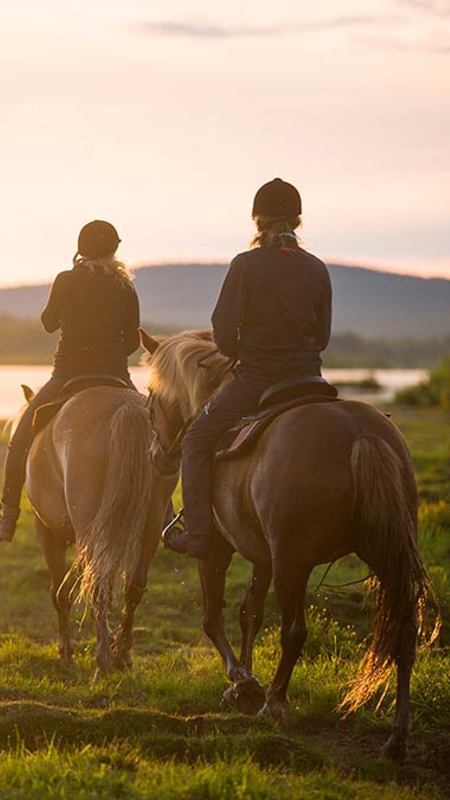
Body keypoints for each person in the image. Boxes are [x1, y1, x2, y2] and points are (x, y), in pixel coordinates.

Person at [163, 178, 332, 559]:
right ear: (298, 222)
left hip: (257, 379)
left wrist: (240, 352)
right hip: (310, 380)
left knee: (196, 438)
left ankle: (199, 535)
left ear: (257, 222)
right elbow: (322, 336)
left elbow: (222, 331)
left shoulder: (245, 265)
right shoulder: (317, 269)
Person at [0, 220, 141, 544]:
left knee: (22, 436)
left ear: (81, 251)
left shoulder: (67, 279)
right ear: (114, 250)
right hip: (116, 375)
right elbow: (132, 343)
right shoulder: (125, 286)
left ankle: (7, 517)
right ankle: (165, 517)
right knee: (153, 438)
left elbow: (48, 323)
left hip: (68, 375)